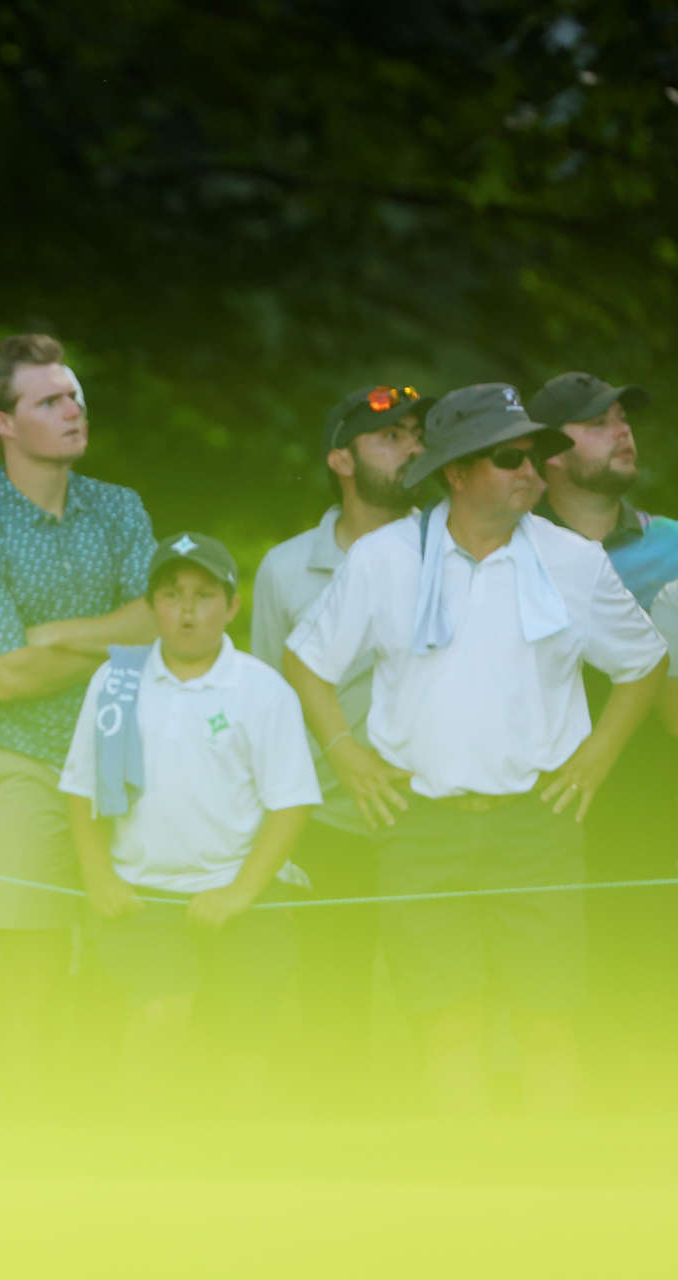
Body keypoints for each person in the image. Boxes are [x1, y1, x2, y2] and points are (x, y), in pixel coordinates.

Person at [284, 383, 668, 1111]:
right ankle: (461, 1207)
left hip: (539, 825)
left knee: (548, 1021)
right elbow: (306, 662)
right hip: (419, 825)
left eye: (538, 455)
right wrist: (346, 755)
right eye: (509, 457)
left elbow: (644, 662)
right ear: (456, 472)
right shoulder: (384, 557)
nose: (531, 471)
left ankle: (551, 1207)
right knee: (446, 1024)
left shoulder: (573, 559)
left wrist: (598, 758)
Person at [0, 333, 156, 1078]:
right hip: (17, 760)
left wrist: (56, 635)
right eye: (50, 400)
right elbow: (2, 678)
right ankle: (28, 1120)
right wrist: (110, 637)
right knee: (29, 959)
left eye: (75, 395)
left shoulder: (121, 509)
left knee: (128, 949)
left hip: (121, 751)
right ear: (4, 424)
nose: (74, 409)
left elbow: (155, 624)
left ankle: (115, 1120)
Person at [63, 532, 320, 1096]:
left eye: (204, 595)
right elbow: (82, 791)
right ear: (153, 604)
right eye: (172, 594)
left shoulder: (262, 689)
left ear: (231, 606)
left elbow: (291, 802)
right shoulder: (116, 681)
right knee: (162, 1013)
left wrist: (241, 892)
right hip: (142, 896)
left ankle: (234, 1171)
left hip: (241, 896)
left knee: (242, 1047)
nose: (187, 610)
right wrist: (98, 876)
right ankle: (139, 1155)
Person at [249, 383, 423, 1102]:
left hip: (429, 816)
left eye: (417, 434)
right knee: (331, 1004)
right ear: (341, 460)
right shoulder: (285, 569)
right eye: (390, 437)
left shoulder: (452, 548)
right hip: (324, 821)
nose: (411, 448)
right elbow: (262, 706)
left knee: (436, 1000)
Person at [531, 370, 678, 1091]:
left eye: (624, 418)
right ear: (550, 453)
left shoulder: (676, 548)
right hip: (539, 809)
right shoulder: (513, 550)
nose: (623, 432)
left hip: (658, 809)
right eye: (599, 422)